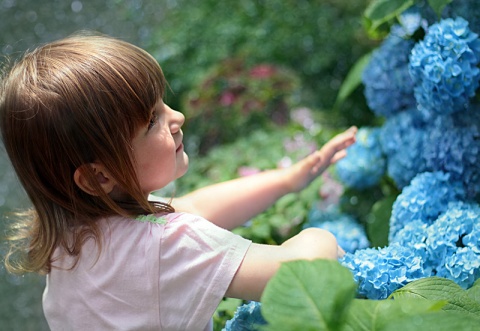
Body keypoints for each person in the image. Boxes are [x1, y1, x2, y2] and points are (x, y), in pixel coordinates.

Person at [0, 33, 357, 331]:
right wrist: (319, 236)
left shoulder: (70, 243)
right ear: (99, 176)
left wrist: (287, 180)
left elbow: (195, 209)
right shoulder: (162, 246)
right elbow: (299, 273)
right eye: (152, 120)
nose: (178, 116)